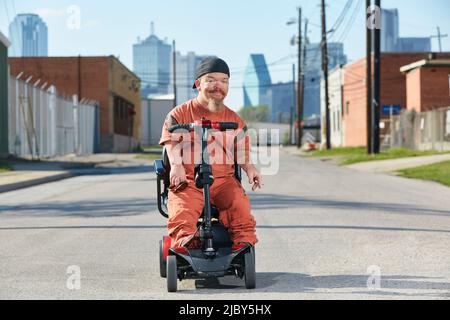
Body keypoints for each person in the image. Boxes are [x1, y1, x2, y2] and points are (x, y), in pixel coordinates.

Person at [159, 57, 262, 251]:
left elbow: (242, 150)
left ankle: (242, 245)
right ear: (198, 84)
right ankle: (186, 241)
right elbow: (170, 143)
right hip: (188, 180)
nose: (218, 86)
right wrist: (177, 166)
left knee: (239, 204)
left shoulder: (234, 119)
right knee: (183, 209)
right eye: (211, 80)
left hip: (223, 181)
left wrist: (250, 168)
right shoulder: (179, 114)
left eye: (224, 81)